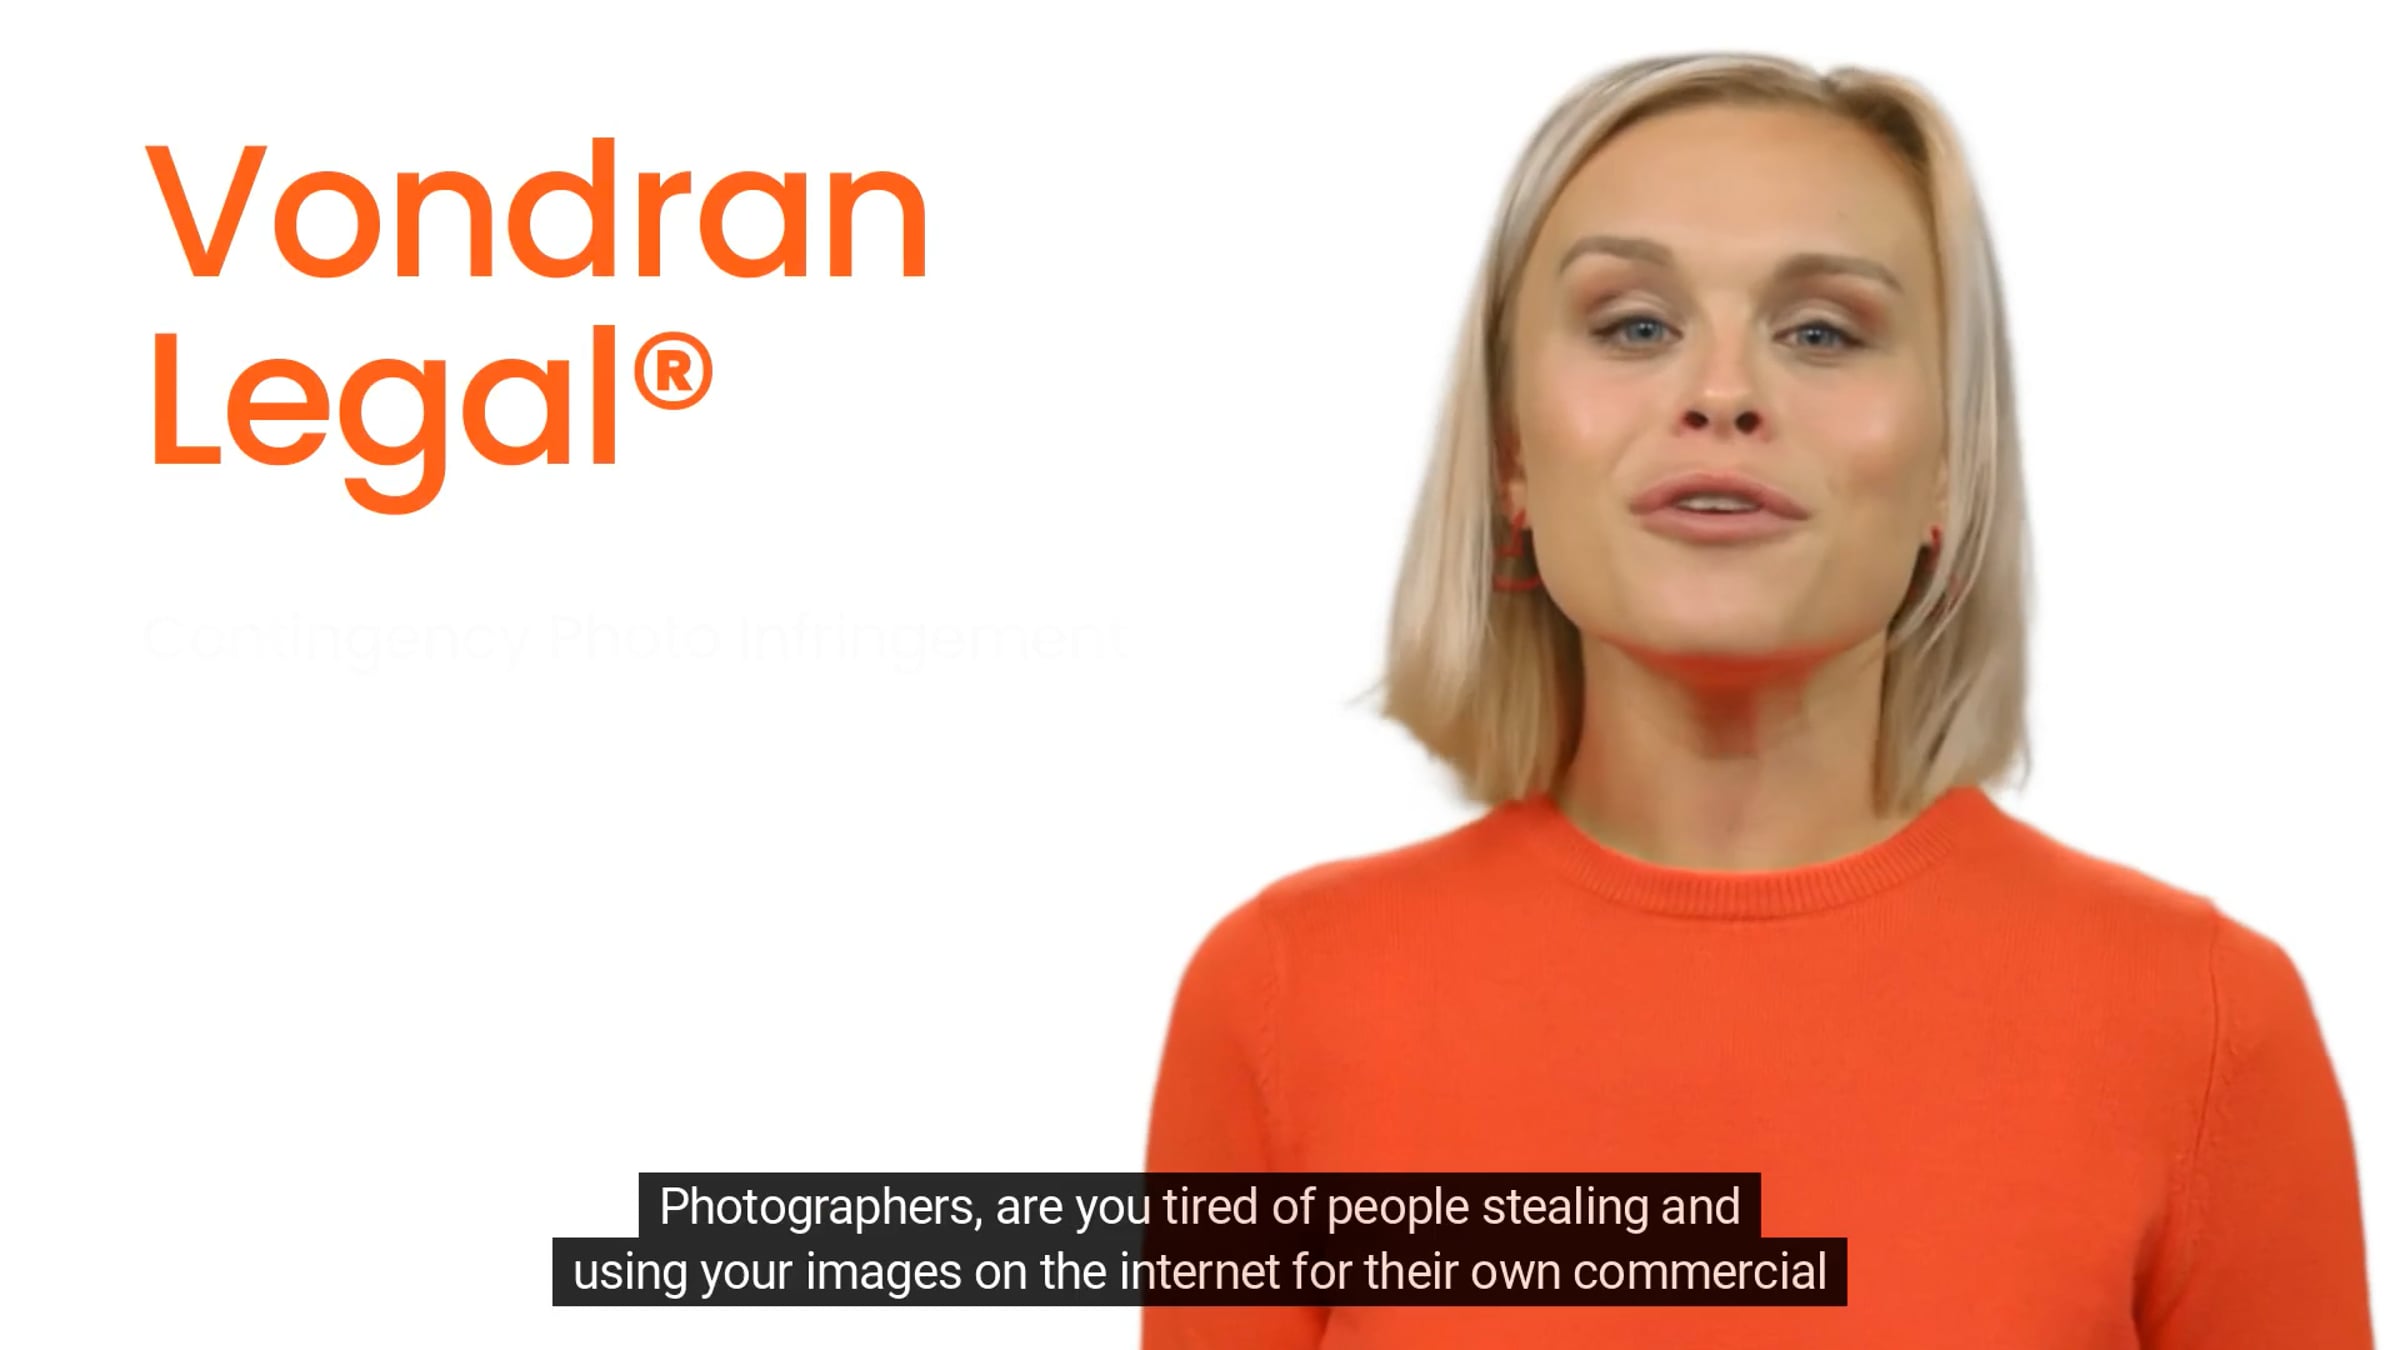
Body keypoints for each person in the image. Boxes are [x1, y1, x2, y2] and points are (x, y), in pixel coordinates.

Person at [1141, 51, 2374, 1348]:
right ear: (1512, 454)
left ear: (1949, 466)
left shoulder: (2204, 1026)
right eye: (1634, 325)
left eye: (1822, 332)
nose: (1722, 394)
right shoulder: (1284, 997)